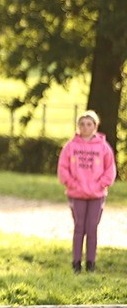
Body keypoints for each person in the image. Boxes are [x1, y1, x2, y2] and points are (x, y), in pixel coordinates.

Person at [57, 110, 116, 273]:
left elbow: (110, 170)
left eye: (89, 124)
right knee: (79, 227)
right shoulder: (70, 146)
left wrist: (100, 185)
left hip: (96, 195)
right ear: (78, 126)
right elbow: (63, 169)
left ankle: (91, 263)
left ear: (95, 126)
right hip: (76, 194)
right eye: (82, 124)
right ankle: (76, 263)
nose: (85, 127)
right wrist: (73, 184)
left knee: (92, 228)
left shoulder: (104, 147)